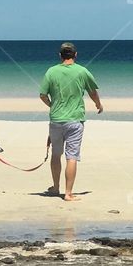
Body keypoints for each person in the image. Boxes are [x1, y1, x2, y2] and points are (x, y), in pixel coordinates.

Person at [38, 42, 103, 201]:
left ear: (60, 55)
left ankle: (55, 187)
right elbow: (92, 91)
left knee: (56, 155)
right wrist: (98, 104)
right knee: (72, 156)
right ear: (75, 55)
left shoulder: (51, 71)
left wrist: (52, 106)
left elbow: (42, 95)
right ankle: (68, 193)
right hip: (75, 120)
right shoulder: (82, 71)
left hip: (56, 120)